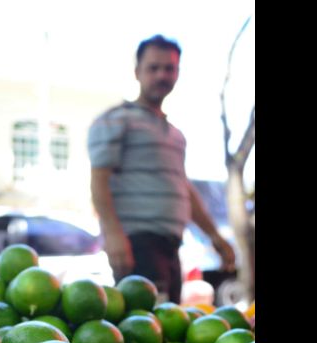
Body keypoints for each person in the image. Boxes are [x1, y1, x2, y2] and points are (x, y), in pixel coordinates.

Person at [88, 34, 235, 304]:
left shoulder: (176, 134)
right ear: (137, 72)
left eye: (169, 68)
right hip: (137, 244)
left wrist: (214, 236)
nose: (161, 75)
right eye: (153, 68)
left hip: (170, 245)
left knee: (168, 319)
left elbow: (183, 188)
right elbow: (99, 178)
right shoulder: (116, 120)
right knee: (145, 323)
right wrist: (113, 235)